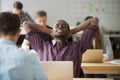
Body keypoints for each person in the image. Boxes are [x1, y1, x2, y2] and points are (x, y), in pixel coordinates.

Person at [23, 17, 98, 78]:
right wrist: (50, 31)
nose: (60, 27)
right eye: (57, 26)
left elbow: (94, 20)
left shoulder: (78, 46)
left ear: (68, 32)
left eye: (64, 26)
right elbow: (26, 24)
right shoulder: (42, 47)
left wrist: (72, 31)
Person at [0, 12, 47, 80]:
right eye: (40, 21)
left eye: (44, 21)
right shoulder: (29, 58)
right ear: (19, 32)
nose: (42, 23)